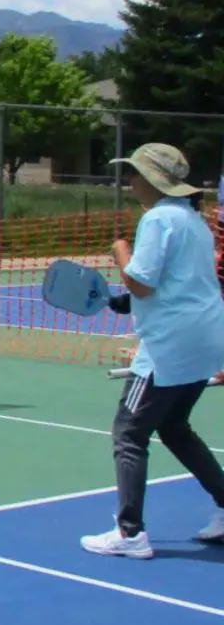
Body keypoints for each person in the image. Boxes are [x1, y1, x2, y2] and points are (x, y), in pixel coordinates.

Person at [80, 143, 224, 558]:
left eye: (134, 173)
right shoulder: (192, 220)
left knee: (129, 434)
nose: (129, 180)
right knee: (175, 427)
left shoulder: (159, 218)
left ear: (152, 180)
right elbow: (171, 285)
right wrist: (125, 300)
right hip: (205, 339)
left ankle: (130, 535)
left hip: (170, 347)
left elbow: (141, 282)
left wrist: (120, 250)